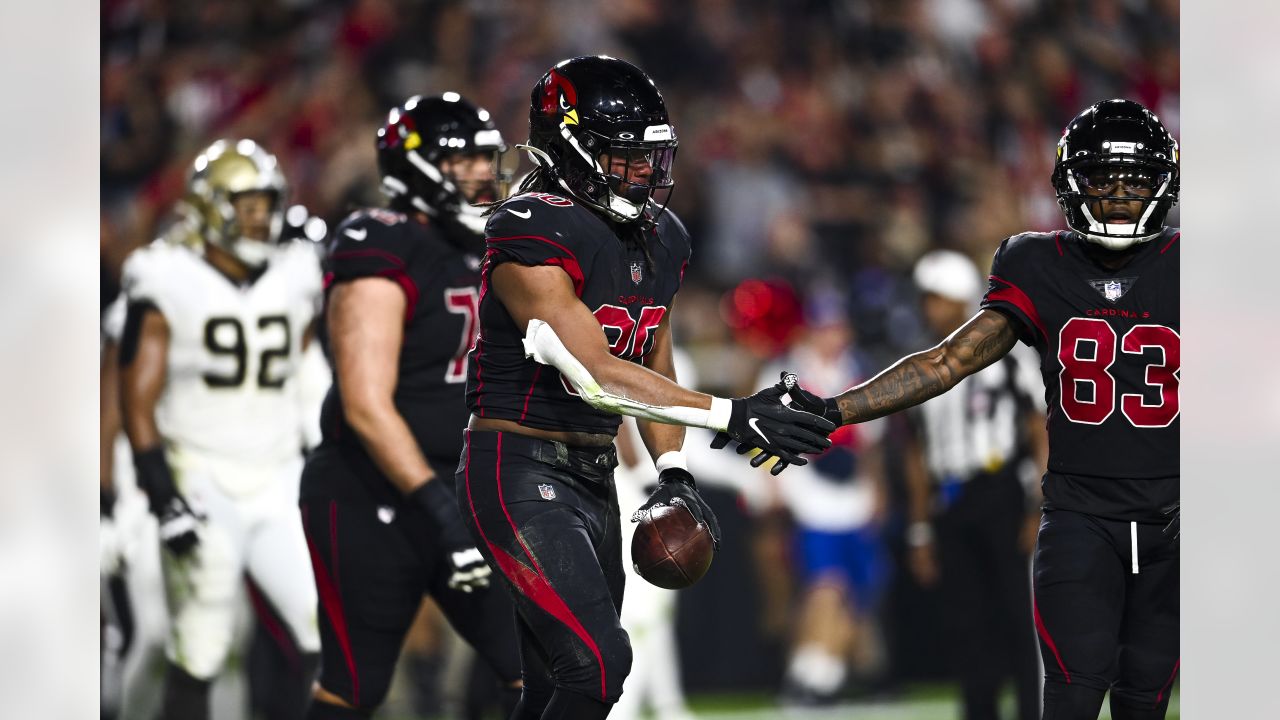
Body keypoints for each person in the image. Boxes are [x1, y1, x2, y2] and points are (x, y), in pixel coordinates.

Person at [456, 55, 835, 720]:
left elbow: (655, 364)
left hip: (595, 473)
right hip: (517, 466)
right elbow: (601, 375)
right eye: (622, 156)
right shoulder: (530, 227)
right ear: (569, 150)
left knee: (554, 684)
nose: (641, 172)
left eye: (647, 157)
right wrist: (734, 414)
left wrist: (674, 469)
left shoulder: (664, 236)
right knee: (598, 665)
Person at [778, 99, 1180, 720]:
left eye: (1137, 178)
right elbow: (946, 362)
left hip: (1176, 515)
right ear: (1073, 183)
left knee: (1146, 698)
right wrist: (833, 409)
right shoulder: (1036, 262)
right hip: (1082, 514)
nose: (1122, 194)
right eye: (1104, 177)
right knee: (1072, 691)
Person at [299, 93, 524, 720]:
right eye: (465, 159)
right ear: (416, 166)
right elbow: (365, 403)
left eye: (488, 158)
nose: (484, 173)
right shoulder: (381, 241)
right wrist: (439, 510)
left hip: (463, 484)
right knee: (355, 685)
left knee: (543, 666)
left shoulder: (493, 248)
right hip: (370, 489)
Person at [118, 138, 323, 720]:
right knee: (202, 644)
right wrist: (161, 492)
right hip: (200, 471)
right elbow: (138, 395)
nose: (260, 217)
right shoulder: (168, 275)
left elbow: (307, 368)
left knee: (324, 627)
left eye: (266, 202)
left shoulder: (295, 269)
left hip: (279, 472)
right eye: (246, 204)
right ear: (211, 207)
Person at [902, 249, 1046, 720]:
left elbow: (1037, 428)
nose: (930, 308)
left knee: (1019, 618)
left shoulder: (1005, 352)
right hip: (951, 501)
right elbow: (916, 454)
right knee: (968, 625)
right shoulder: (919, 363)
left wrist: (1036, 507)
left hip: (1002, 490)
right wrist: (920, 528)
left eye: (937, 297)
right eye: (927, 299)